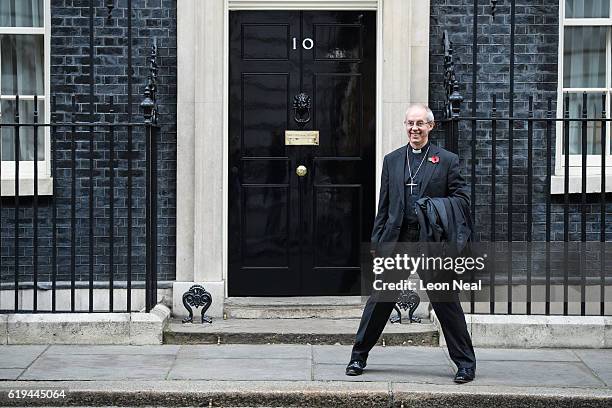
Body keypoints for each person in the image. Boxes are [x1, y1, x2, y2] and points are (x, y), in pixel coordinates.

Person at [345, 104, 477, 383]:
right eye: (410, 123)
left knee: (445, 302)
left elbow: (462, 201)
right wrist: (376, 240)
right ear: (404, 126)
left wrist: (431, 205)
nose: (414, 128)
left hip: (432, 242)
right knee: (380, 300)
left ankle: (465, 364)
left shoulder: (447, 160)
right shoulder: (392, 160)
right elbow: (384, 205)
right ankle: (358, 356)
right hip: (398, 240)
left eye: (420, 123)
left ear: (431, 126)